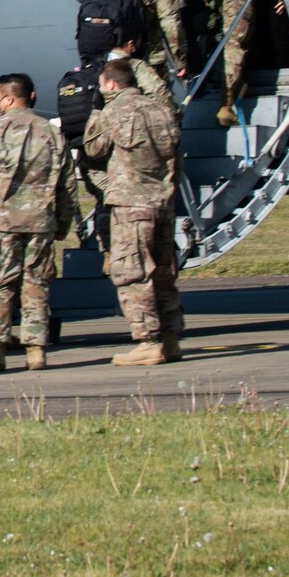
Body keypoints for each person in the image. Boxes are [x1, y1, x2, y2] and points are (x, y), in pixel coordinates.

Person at [0, 75, 82, 373]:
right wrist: (62, 224)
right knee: (36, 286)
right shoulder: (52, 134)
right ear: (33, 95)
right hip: (40, 223)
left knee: (0, 287)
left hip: (1, 224)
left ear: (8, 98)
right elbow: (67, 186)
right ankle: (36, 351)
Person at [82, 60, 184, 366]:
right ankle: (171, 339)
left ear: (110, 84)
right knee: (164, 273)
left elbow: (93, 149)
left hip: (130, 203)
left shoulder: (113, 111)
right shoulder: (161, 110)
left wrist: (95, 113)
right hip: (162, 202)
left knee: (132, 272)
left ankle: (146, 341)